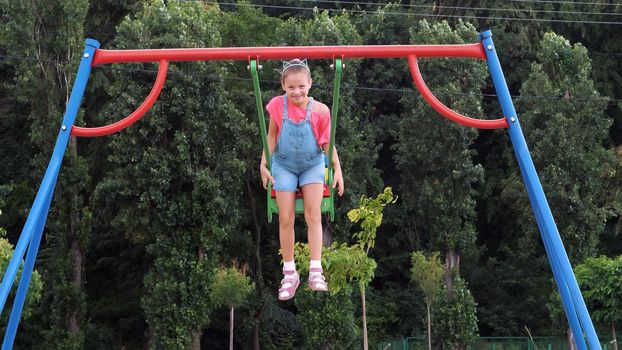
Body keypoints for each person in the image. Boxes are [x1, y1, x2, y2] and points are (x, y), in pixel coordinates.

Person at [260, 59, 344, 301]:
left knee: (313, 214)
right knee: (285, 217)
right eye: (291, 88)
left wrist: (337, 169)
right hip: (285, 164)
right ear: (283, 87)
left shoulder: (320, 111)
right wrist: (263, 164)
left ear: (310, 84)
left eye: (301, 86)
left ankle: (316, 270)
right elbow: (271, 138)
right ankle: (290, 272)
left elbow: (328, 143)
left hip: (312, 164)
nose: (296, 92)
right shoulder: (277, 106)